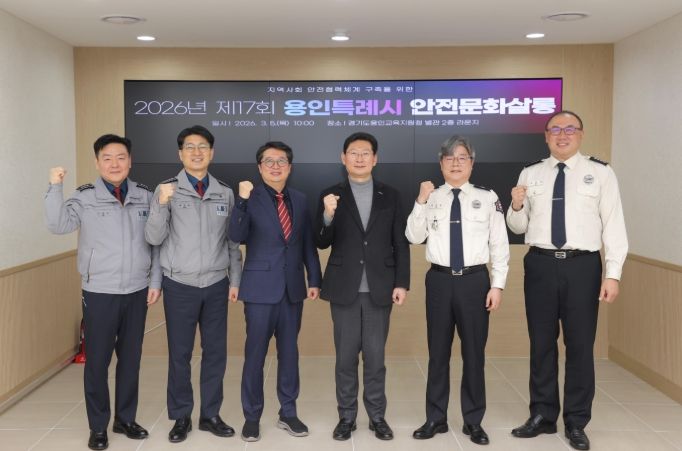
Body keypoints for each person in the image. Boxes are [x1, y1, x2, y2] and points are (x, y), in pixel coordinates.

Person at [507, 111, 627, 451]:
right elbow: (518, 227)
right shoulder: (530, 172)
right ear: (546, 136)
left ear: (581, 134)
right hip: (540, 265)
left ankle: (576, 421)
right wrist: (516, 206)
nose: (562, 135)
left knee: (580, 346)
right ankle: (542, 415)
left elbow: (614, 225)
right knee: (541, 343)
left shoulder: (600, 173)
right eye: (555, 129)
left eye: (570, 129)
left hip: (583, 266)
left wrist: (613, 274)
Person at [45, 134, 162, 450]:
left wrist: (154, 282)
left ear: (130, 161)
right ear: (97, 163)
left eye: (121, 157)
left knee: (130, 360)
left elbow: (156, 242)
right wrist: (55, 186)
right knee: (97, 362)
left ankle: (125, 419)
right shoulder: (84, 197)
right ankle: (98, 427)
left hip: (137, 290)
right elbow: (57, 225)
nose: (114, 164)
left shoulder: (144, 195)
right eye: (107, 158)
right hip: (99, 291)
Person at [406, 135, 509, 446]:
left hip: (475, 281)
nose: (455, 163)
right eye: (449, 158)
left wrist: (497, 285)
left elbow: (499, 244)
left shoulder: (487, 197)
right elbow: (413, 236)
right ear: (441, 164)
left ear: (471, 164)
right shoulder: (431, 197)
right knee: (437, 353)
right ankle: (435, 418)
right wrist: (420, 201)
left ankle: (473, 421)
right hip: (439, 281)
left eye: (462, 157)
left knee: (474, 354)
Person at [144, 125, 242, 443]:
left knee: (215, 353)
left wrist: (235, 279)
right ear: (180, 153)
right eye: (190, 147)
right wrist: (161, 204)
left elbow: (232, 241)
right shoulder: (166, 190)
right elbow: (154, 238)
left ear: (211, 152)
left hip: (215, 283)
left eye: (202, 147)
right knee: (180, 354)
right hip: (179, 284)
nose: (196, 152)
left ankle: (210, 414)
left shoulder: (224, 192)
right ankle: (181, 416)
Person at [314, 132, 410, 441]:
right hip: (344, 288)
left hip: (380, 288)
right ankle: (346, 417)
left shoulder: (391, 195)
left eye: (365, 152)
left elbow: (400, 242)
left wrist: (402, 282)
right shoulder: (330, 194)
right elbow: (321, 241)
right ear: (343, 158)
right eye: (353, 152)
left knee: (375, 358)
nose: (359, 158)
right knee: (345, 358)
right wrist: (327, 215)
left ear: (375, 159)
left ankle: (377, 417)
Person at [228, 141, 321, 442]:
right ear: (260, 167)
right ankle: (252, 416)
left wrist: (314, 279)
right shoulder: (249, 197)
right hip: (259, 290)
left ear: (290, 167)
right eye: (269, 161)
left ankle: (288, 412)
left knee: (289, 354)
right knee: (255, 355)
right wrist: (241, 202)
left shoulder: (300, 199)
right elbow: (235, 235)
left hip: (293, 289)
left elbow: (306, 242)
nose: (275, 166)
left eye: (281, 161)